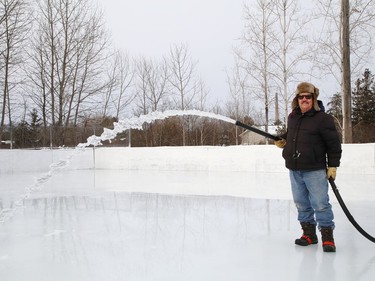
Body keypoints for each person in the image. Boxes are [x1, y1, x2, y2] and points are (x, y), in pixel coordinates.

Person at [275, 82, 342, 252]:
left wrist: (333, 165)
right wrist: (283, 140)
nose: (304, 99)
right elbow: (293, 135)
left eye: (308, 96)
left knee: (320, 203)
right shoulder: (293, 117)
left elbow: (333, 145)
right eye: (301, 96)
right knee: (301, 203)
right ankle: (309, 235)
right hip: (295, 168)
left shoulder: (323, 119)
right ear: (296, 99)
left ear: (313, 98)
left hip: (315, 170)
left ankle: (327, 238)